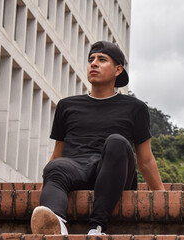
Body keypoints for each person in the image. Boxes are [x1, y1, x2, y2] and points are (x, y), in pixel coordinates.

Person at [30, 41, 165, 235]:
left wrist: (161, 195)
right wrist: (49, 183)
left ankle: (97, 226)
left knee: (117, 141)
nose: (94, 63)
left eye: (102, 60)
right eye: (91, 60)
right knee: (56, 166)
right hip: (77, 169)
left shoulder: (135, 108)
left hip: (115, 172)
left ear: (118, 70)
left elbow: (145, 160)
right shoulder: (67, 106)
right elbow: (57, 154)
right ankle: (56, 225)